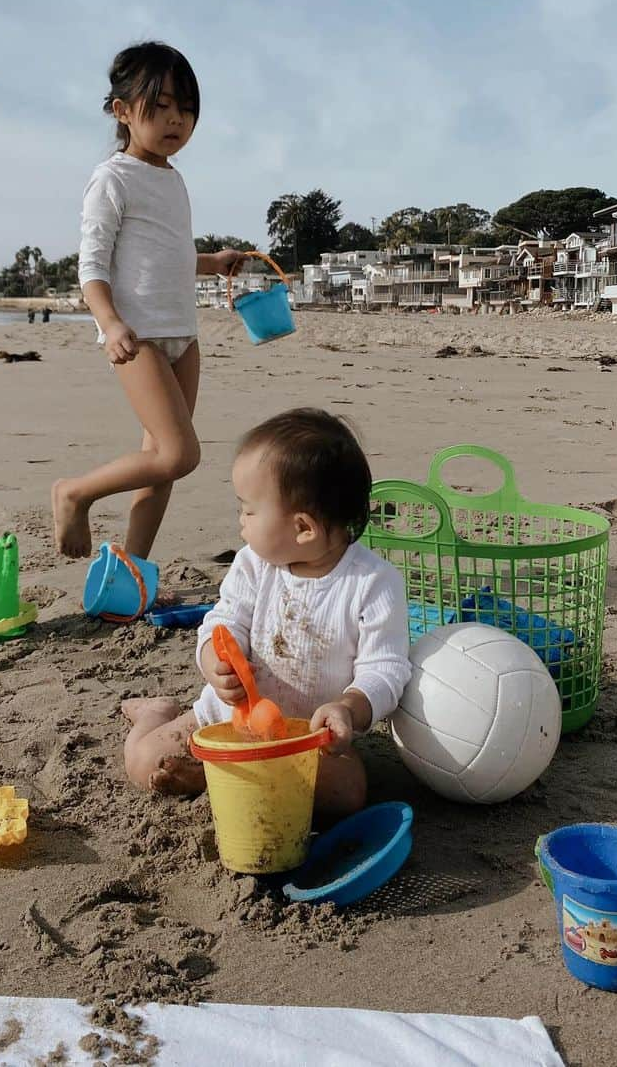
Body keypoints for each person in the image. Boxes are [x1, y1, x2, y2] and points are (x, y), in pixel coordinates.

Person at [121, 409, 411, 818]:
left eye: (249, 510)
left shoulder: (373, 583)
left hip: (308, 741)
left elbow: (386, 669)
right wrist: (215, 661)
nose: (240, 521)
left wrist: (349, 707)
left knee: (346, 796)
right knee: (145, 763)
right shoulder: (254, 565)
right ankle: (155, 715)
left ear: (303, 528)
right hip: (228, 722)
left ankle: (231, 779)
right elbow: (223, 622)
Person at [52, 42, 245, 560]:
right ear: (121, 111)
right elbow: (91, 267)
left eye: (184, 108)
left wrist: (211, 261)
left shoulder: (172, 179)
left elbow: (169, 254)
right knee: (179, 454)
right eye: (158, 108)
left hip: (183, 335)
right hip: (137, 337)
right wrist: (110, 323)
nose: (174, 120)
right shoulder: (111, 179)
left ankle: (133, 569)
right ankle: (75, 492)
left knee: (160, 462)